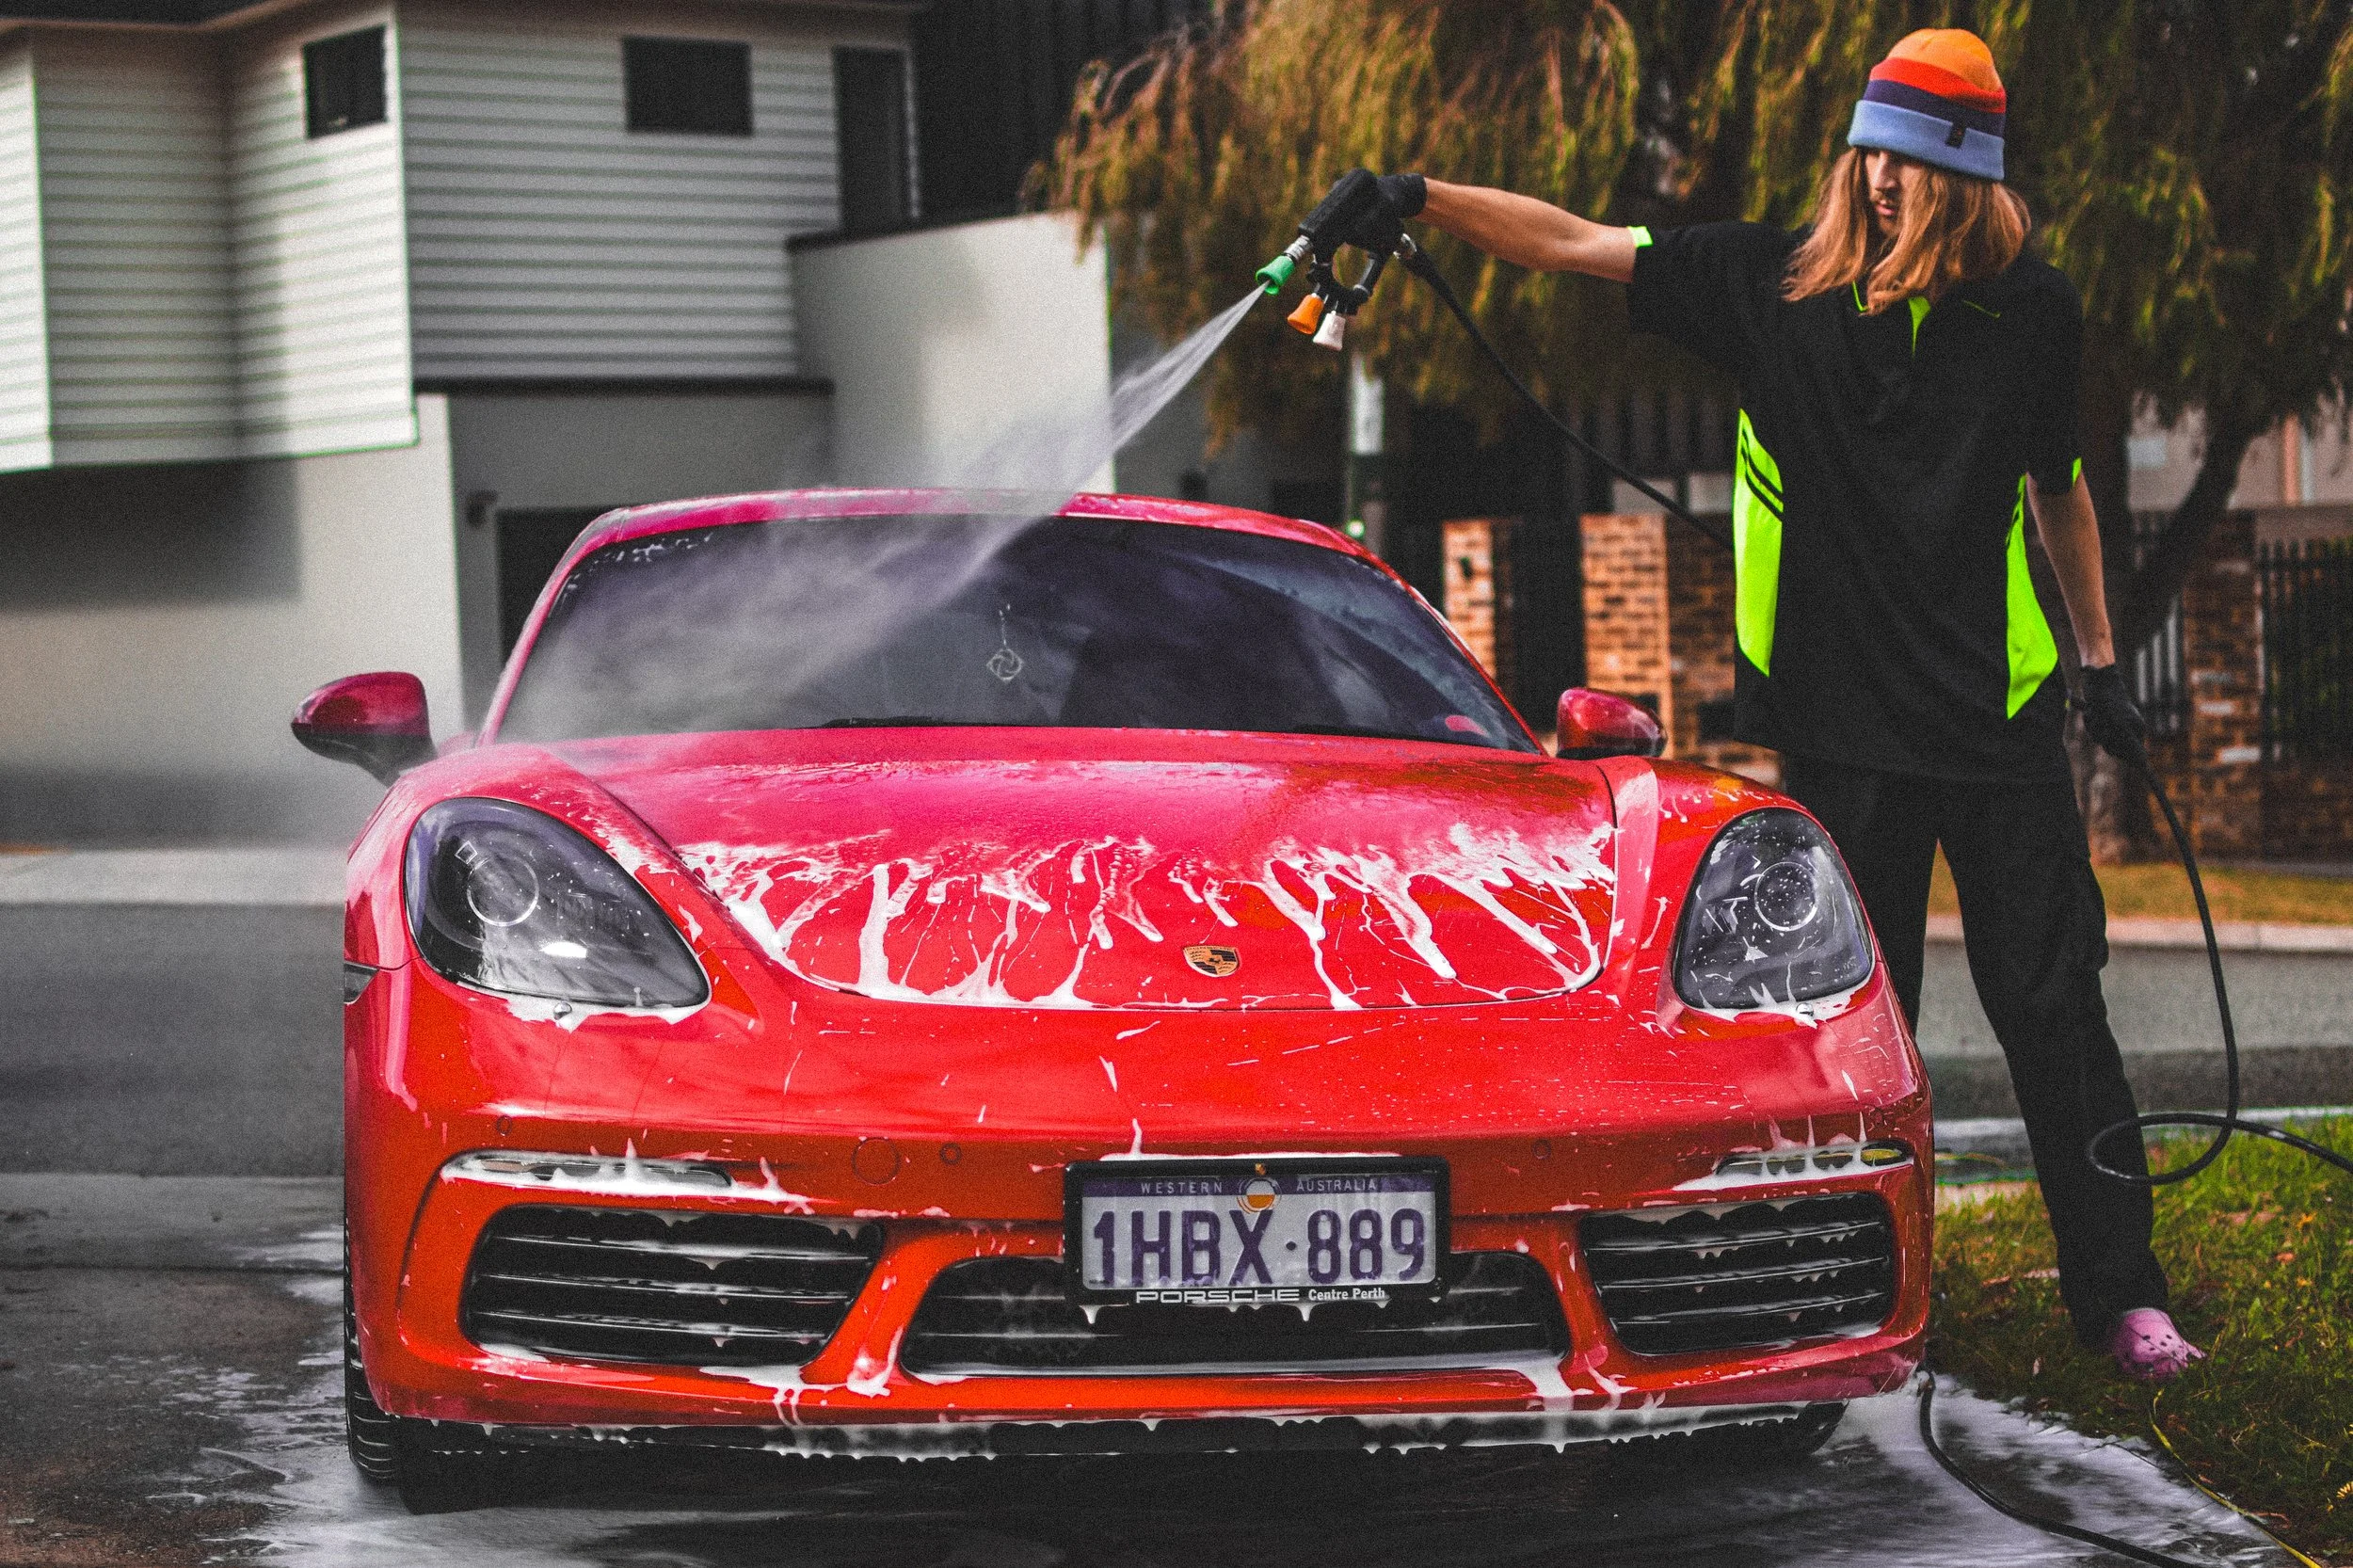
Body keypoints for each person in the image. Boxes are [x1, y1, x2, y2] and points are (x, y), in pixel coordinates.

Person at [1338, 28, 2202, 1381]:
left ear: (1965, 180)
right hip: (1845, 734)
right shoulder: (1771, 283)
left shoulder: (2030, 310)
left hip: (2000, 723)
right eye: (1870, 156)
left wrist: (2100, 668)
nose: (1882, 183)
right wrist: (1419, 200)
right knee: (1845, 1043)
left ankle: (2123, 1298)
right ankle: (1858, 1299)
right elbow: (1575, 243)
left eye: (1910, 165)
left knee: (2058, 1016)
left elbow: (2062, 489)